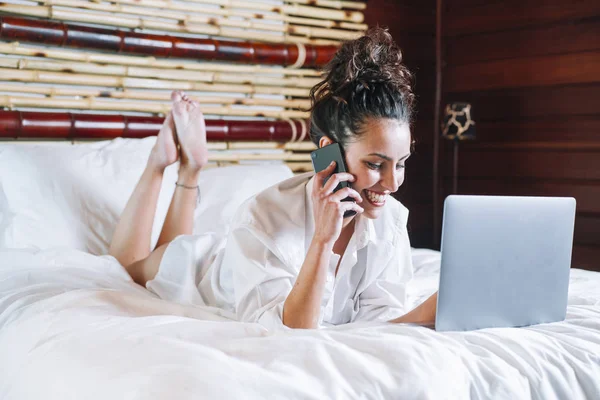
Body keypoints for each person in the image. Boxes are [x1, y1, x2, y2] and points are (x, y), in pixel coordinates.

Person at [110, 27, 437, 330]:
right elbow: (289, 333)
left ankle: (190, 169)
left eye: (402, 163)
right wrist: (323, 240)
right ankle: (162, 163)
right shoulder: (262, 218)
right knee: (127, 268)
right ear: (330, 152)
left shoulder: (390, 222)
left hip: (240, 256)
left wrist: (425, 316)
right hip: (201, 271)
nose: (392, 184)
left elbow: (374, 328)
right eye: (377, 164)